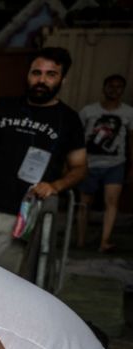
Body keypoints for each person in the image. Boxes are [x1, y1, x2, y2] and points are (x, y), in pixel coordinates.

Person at [0, 47, 87, 273]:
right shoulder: (1, 107)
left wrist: (56, 186)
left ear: (62, 79)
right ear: (28, 75)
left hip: (23, 216)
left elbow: (79, 167)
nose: (41, 80)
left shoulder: (69, 119)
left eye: (50, 74)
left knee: (10, 283)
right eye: (36, 73)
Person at [78, 73, 133, 252]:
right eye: (111, 86)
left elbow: (130, 140)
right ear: (104, 88)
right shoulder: (88, 111)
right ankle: (80, 240)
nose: (114, 90)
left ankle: (104, 241)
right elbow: (77, 138)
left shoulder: (128, 113)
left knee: (111, 202)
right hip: (89, 163)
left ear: (123, 90)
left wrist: (131, 166)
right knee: (85, 203)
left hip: (115, 164)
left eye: (118, 87)